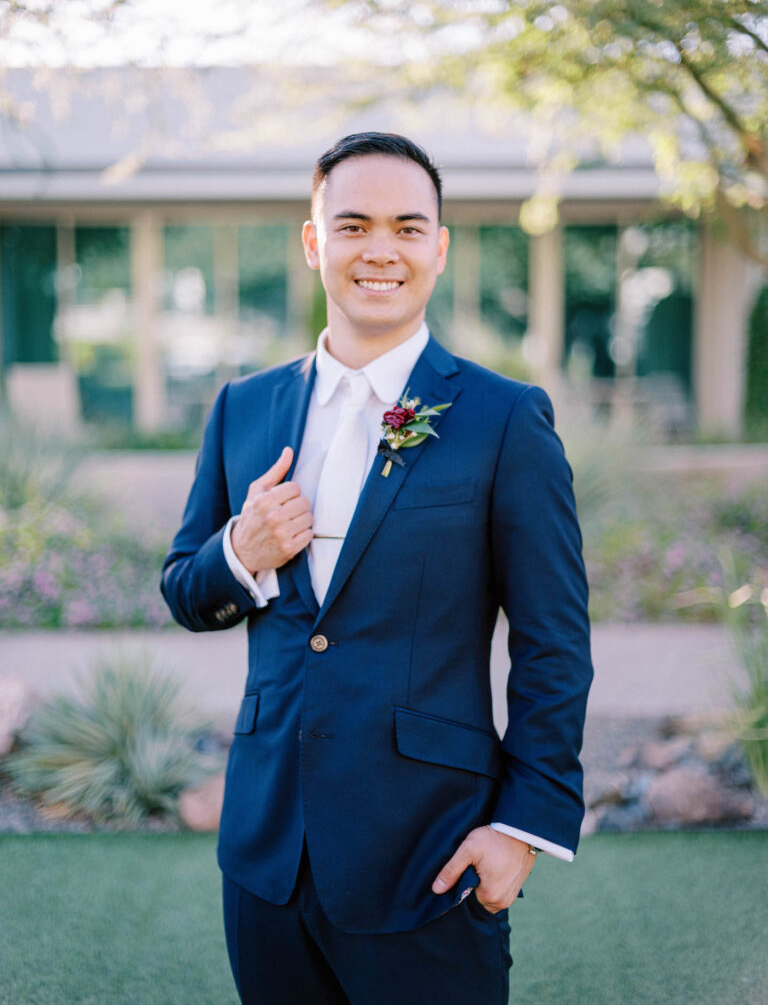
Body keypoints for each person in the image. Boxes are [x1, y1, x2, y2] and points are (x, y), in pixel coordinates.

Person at [161, 131, 592, 1005]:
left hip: (429, 854)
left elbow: (554, 641)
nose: (380, 250)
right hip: (265, 856)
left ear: (439, 247)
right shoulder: (243, 408)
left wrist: (523, 826)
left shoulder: (503, 419)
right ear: (316, 242)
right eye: (353, 226)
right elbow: (184, 591)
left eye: (406, 226)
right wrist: (240, 553)